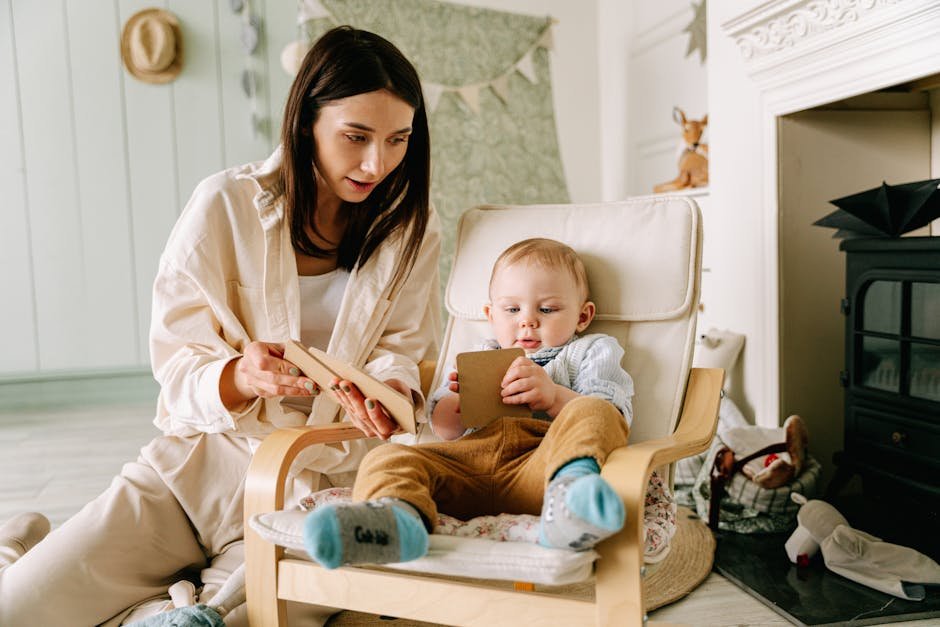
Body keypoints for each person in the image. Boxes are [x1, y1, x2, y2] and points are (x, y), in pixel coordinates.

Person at [0, 25, 440, 626]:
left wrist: (389, 395)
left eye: (397, 141)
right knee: (15, 612)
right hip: (194, 475)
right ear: (306, 119)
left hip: (312, 496)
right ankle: (18, 551)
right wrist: (238, 376)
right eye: (356, 137)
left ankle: (166, 603)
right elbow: (175, 365)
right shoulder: (225, 205)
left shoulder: (413, 228)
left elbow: (403, 349)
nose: (376, 163)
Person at [304, 238, 635, 568]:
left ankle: (569, 506)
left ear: (582, 316)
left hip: (541, 467)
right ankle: (397, 521)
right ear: (491, 315)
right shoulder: (478, 355)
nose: (528, 321)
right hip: (467, 468)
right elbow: (445, 430)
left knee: (593, 409)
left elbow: (612, 415)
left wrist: (553, 396)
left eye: (547, 309)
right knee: (389, 456)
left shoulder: (590, 350)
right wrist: (458, 400)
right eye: (512, 309)